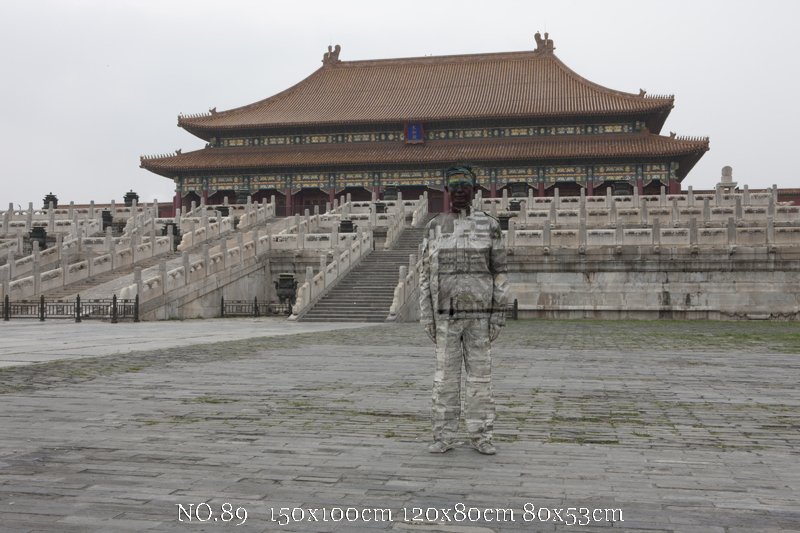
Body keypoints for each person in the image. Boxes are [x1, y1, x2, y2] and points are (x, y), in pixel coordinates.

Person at [419, 165, 509, 454]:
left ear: (474, 190)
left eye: (465, 186)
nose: (459, 191)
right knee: (445, 378)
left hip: (479, 317)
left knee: (480, 378)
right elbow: (424, 274)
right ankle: (443, 435)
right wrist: (426, 315)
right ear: (447, 191)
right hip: (446, 315)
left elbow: (500, 272)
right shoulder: (435, 226)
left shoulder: (490, 225)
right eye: (454, 186)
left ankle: (481, 434)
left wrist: (498, 314)